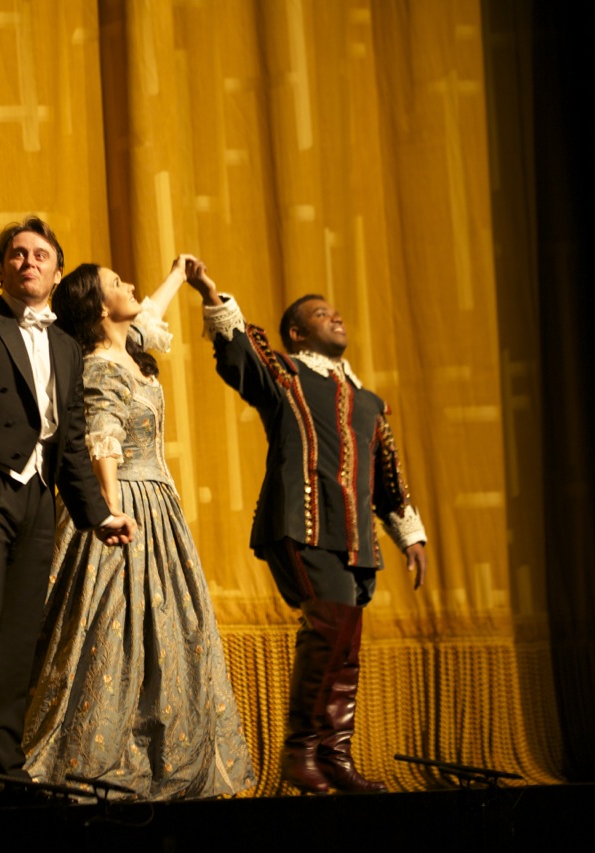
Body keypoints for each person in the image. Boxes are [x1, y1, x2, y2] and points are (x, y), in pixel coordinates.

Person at [188, 261, 428, 794]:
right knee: (328, 629)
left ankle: (333, 755)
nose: (335, 317)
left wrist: (409, 535)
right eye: (321, 314)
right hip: (304, 524)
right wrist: (211, 293)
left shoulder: (368, 402)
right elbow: (240, 358)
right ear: (297, 333)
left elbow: (386, 473)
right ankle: (301, 753)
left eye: (335, 312)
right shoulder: (285, 375)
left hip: (354, 539)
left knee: (345, 645)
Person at [0, 218, 136, 797]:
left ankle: (1, 764)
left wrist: (98, 514)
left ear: (57, 272)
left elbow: (71, 440)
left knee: (18, 634)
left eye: (40, 255)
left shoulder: (66, 346)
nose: (28, 262)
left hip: (38, 497)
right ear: (2, 268)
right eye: (17, 254)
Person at [23, 258, 255, 799]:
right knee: (112, 627)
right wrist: (108, 508)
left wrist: (180, 275)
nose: (129, 285)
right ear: (99, 307)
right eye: (116, 283)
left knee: (168, 629)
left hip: (157, 503)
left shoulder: (127, 349)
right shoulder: (101, 366)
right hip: (126, 501)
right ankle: (92, 760)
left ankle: (161, 759)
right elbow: (101, 437)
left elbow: (148, 316)